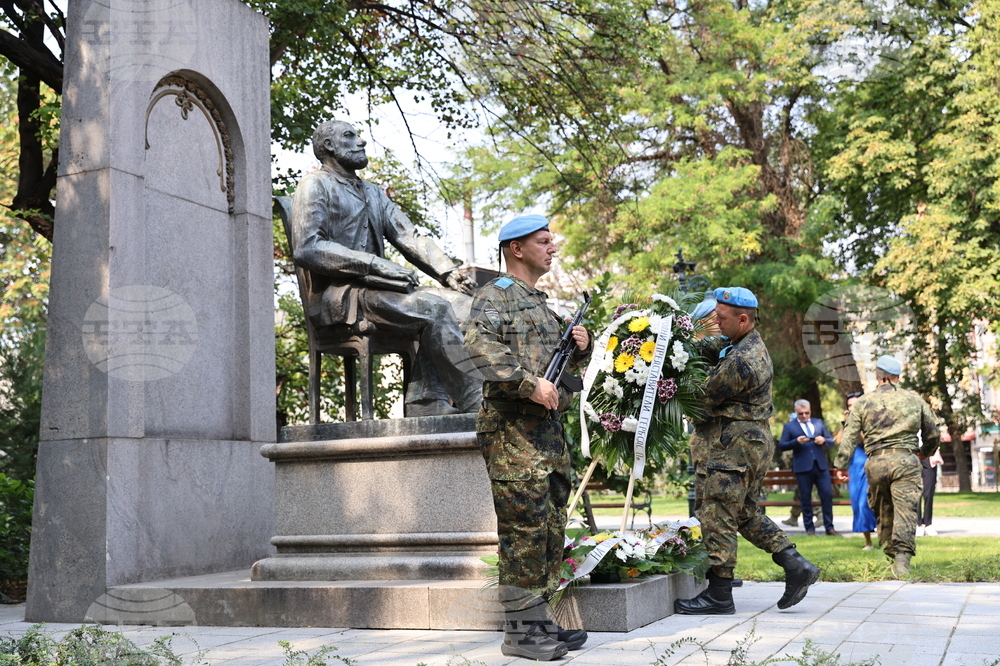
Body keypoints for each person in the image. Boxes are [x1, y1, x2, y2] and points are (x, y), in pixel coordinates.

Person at [463, 214, 591, 661]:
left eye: (552, 240)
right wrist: (528, 383)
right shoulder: (494, 295)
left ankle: (538, 619)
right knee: (523, 532)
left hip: (546, 433)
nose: (553, 247)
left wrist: (581, 348)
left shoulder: (541, 305)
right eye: (543, 241)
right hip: (512, 431)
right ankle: (519, 633)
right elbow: (479, 346)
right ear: (516, 249)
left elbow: (561, 374)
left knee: (549, 528)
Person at [290, 120, 482, 416]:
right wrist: (374, 263)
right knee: (435, 309)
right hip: (342, 296)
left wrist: (447, 272)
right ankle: (478, 403)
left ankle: (426, 400)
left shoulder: (373, 192)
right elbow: (307, 247)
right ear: (328, 146)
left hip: (383, 291)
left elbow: (409, 237)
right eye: (350, 136)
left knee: (469, 309)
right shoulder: (314, 184)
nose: (361, 141)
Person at [674, 287, 820, 615]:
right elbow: (711, 347)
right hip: (745, 442)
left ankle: (719, 594)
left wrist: (671, 374)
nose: (715, 322)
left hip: (733, 446)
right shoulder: (740, 343)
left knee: (717, 513)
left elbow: (700, 397)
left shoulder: (742, 360)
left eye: (720, 318)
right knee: (743, 512)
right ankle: (795, 564)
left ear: (742, 319)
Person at [834, 355, 940, 577]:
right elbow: (933, 432)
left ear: (878, 376)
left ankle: (889, 555)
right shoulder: (914, 399)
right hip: (906, 461)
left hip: (876, 462)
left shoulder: (863, 402)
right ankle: (902, 561)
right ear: (897, 377)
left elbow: (850, 436)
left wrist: (841, 464)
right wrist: (925, 452)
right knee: (905, 510)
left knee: (883, 510)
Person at [779, 399, 837, 535]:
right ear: (796, 412)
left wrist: (824, 440)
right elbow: (782, 445)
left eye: (807, 413)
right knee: (805, 497)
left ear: (810, 411)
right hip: (803, 467)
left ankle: (829, 527)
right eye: (801, 413)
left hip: (820, 465)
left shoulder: (818, 422)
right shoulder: (790, 426)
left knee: (827, 495)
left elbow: (831, 442)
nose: (804, 416)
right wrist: (796, 442)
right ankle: (809, 528)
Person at [838, 392, 875, 549]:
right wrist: (847, 423)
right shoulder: (848, 422)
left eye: (855, 405)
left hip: (868, 465)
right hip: (854, 467)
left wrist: (856, 424)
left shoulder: (870, 421)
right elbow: (839, 441)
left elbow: (867, 441)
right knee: (857, 505)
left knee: (864, 503)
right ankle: (868, 542)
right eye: (849, 405)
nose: (852, 408)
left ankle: (883, 537)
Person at [917, 448, 945, 536]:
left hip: (928, 457)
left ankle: (928, 524)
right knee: (916, 494)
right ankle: (918, 524)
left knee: (928, 494)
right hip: (913, 457)